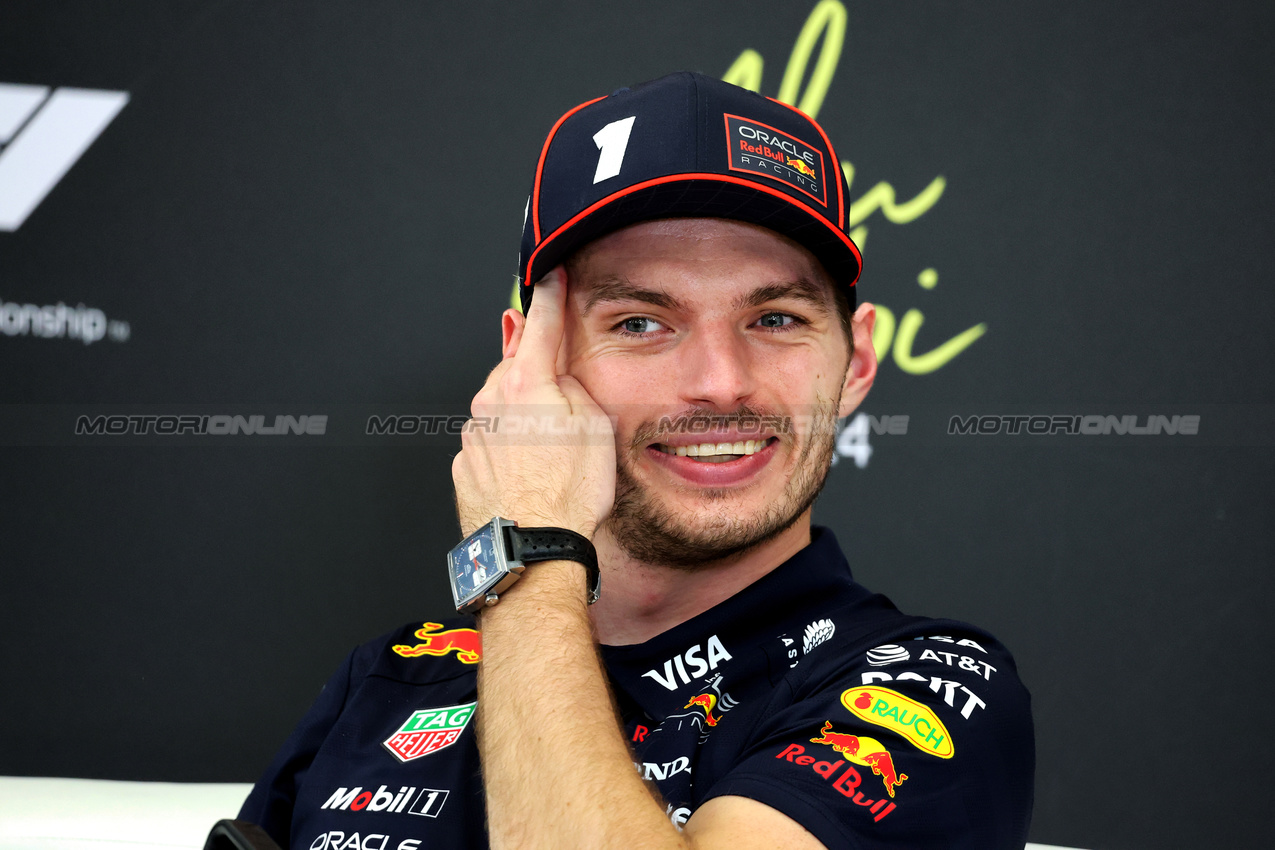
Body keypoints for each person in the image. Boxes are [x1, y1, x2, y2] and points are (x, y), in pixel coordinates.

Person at [239, 71, 1034, 850]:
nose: (720, 384)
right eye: (640, 324)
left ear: (855, 362)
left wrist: (530, 558)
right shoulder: (394, 677)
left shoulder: (925, 688)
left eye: (775, 317)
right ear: (529, 371)